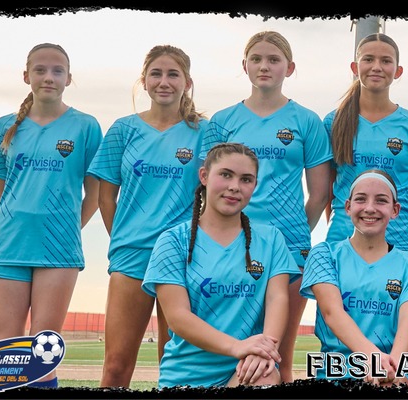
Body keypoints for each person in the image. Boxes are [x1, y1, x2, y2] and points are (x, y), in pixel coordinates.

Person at [0, 43, 102, 389]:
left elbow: (94, 195)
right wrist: (19, 222)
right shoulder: (4, 127)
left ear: (68, 78)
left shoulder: (86, 127)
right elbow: (2, 193)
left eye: (58, 71)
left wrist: (66, 229)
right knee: (5, 349)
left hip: (59, 251)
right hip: (10, 246)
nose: (49, 77)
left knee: (43, 351)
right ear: (26, 76)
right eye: (40, 70)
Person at [208, 30, 333, 382]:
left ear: (289, 68)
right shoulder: (222, 121)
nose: (264, 66)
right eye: (257, 59)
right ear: (244, 66)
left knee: (280, 356)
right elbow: (208, 188)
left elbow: (319, 195)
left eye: (274, 60)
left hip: (289, 248)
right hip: (232, 245)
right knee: (231, 353)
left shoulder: (306, 121)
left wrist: (287, 233)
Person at [90, 45, 216, 387]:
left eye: (173, 74)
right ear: (144, 81)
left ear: (187, 82)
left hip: (183, 257)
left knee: (173, 364)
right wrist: (123, 238)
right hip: (131, 256)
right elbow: (105, 197)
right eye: (156, 74)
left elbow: (215, 193)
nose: (164, 82)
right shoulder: (123, 129)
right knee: (116, 366)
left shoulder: (205, 131)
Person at [142, 143, 299, 388]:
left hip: (244, 370)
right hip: (185, 378)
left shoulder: (271, 239)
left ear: (254, 186)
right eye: (226, 175)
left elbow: (277, 298)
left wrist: (264, 349)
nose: (235, 186)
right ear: (204, 176)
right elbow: (177, 317)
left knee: (264, 375)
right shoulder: (173, 241)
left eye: (246, 179)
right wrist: (237, 346)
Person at [302, 169, 408, 386]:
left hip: (392, 371)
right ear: (348, 207)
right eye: (361, 199)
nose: (370, 208)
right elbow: (332, 313)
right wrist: (374, 359)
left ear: (395, 210)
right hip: (338, 375)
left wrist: (391, 370)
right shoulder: (324, 254)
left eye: (381, 200)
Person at [323, 33, 408, 255]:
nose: (376, 67)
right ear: (355, 67)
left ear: (398, 71)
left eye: (386, 61)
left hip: (401, 241)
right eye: (368, 59)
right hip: (344, 240)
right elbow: (326, 191)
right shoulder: (334, 122)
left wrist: (395, 225)